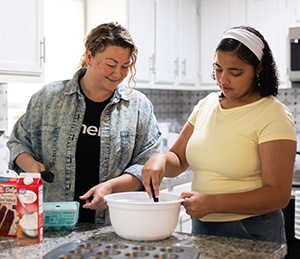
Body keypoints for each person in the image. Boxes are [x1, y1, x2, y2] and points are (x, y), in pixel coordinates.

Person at [142, 25, 297, 243]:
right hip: (202, 224)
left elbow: (277, 194)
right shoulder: (206, 104)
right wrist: (160, 159)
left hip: (251, 228)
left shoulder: (272, 113)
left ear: (259, 69)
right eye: (218, 68)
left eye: (235, 72)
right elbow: (178, 159)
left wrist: (214, 203)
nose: (223, 79)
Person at [7, 22, 161, 224]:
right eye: (111, 64)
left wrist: (111, 187)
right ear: (89, 57)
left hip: (114, 224)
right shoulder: (48, 98)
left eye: (125, 66)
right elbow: (18, 142)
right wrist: (30, 164)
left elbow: (146, 164)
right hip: (52, 222)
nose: (118, 73)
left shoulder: (139, 106)